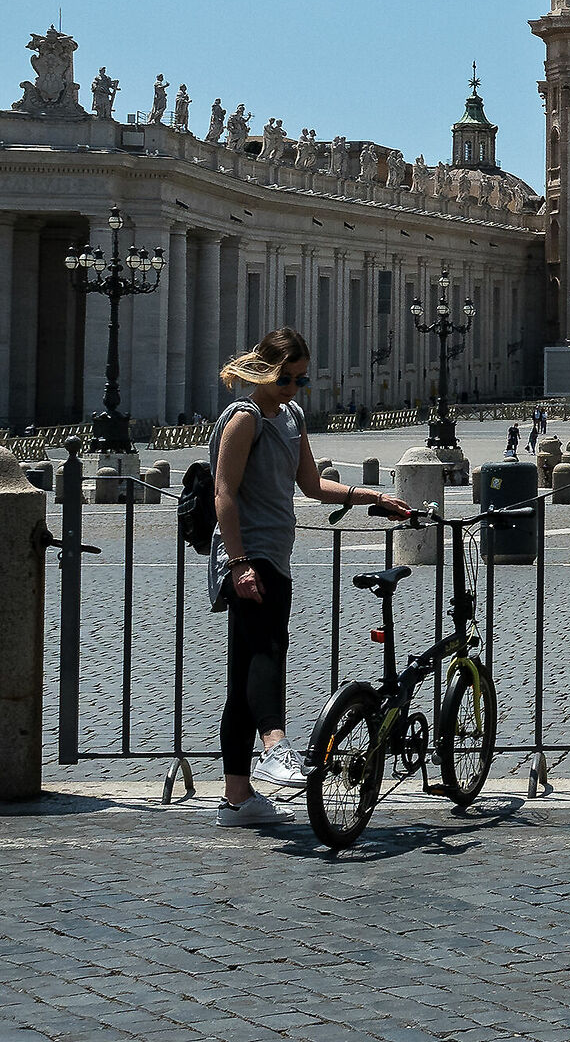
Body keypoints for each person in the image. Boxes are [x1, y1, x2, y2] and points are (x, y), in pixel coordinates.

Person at [209, 329, 411, 827]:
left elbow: (311, 484)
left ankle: (237, 799)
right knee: (267, 650)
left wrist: (373, 497)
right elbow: (223, 493)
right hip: (248, 555)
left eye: (301, 380)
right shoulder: (244, 417)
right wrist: (238, 563)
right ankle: (274, 746)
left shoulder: (292, 417)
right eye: (286, 379)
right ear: (264, 371)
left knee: (244, 678)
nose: (294, 388)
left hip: (274, 555)